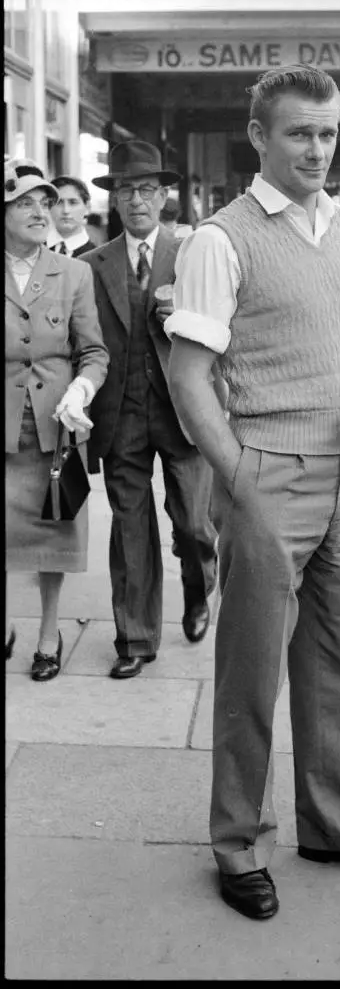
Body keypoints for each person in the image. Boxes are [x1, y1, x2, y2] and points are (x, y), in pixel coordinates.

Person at [166, 64, 340, 921]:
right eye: (299, 133)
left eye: (327, 132)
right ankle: (239, 844)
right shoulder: (221, 238)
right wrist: (237, 475)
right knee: (251, 675)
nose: (318, 149)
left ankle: (338, 826)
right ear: (259, 137)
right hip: (266, 472)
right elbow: (189, 373)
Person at [79, 140, 218, 680]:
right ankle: (135, 637)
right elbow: (82, 340)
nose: (136, 200)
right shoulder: (91, 266)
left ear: (164, 197)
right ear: (114, 201)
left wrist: (178, 316)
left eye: (146, 189)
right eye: (125, 190)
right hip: (121, 415)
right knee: (130, 527)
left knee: (192, 522)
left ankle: (200, 581)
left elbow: (221, 332)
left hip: (184, 411)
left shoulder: (193, 255)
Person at [5, 157, 109, 678]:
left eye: (44, 202)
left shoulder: (74, 274)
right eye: (25, 202)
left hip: (53, 425)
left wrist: (82, 388)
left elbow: (94, 351)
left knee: (52, 533)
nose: (40, 211)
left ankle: (49, 633)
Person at [47, 175, 98, 258]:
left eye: (73, 202)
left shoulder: (98, 258)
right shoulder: (32, 250)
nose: (66, 210)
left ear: (87, 207)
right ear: (49, 207)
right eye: (59, 202)